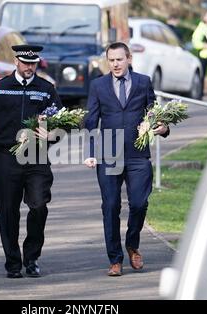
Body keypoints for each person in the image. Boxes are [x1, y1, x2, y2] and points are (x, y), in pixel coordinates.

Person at [0, 44, 62, 279]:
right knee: (8, 211)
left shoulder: (46, 89)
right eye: (25, 63)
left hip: (36, 157)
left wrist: (52, 135)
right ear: (16, 62)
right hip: (5, 157)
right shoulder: (1, 89)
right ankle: (13, 263)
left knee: (39, 206)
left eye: (33, 64)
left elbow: (63, 124)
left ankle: (31, 258)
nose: (29, 68)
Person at [84, 42, 169, 276]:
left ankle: (132, 244)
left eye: (119, 59)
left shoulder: (143, 82)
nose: (115, 64)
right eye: (111, 60)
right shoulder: (98, 85)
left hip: (137, 155)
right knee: (110, 207)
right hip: (108, 155)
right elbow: (91, 121)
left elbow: (154, 114)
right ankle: (115, 259)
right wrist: (90, 152)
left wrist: (163, 128)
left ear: (129, 58)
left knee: (139, 204)